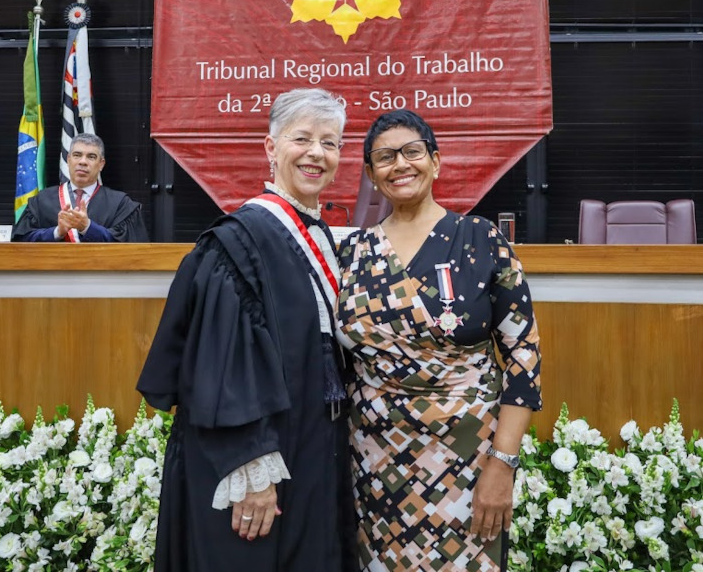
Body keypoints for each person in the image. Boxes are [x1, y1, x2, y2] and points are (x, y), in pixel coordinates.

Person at [136, 88, 357, 571]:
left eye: (331, 143)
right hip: (258, 458)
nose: (317, 153)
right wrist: (252, 468)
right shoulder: (240, 243)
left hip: (312, 446)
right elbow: (223, 367)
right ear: (271, 147)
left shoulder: (319, 234)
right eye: (302, 138)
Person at [335, 110, 542, 571]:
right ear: (370, 173)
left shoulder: (482, 240)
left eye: (412, 152)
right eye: (384, 157)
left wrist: (502, 463)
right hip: (375, 461)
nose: (400, 164)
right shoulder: (351, 253)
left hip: (469, 458)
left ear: (436, 161)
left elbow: (523, 359)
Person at [11, 133, 148, 242]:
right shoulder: (42, 200)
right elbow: (21, 241)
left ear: (101, 164)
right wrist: (57, 232)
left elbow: (131, 247)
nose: (83, 162)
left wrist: (88, 228)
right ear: (68, 159)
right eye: (77, 155)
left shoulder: (120, 204)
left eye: (91, 157)